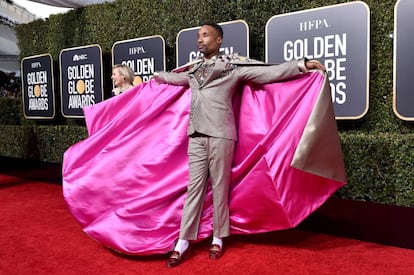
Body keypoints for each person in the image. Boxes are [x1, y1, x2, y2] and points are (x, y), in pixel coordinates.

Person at [154, 22, 325, 268]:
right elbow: (176, 79)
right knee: (194, 189)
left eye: (205, 35)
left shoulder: (233, 68)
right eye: (198, 36)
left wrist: (301, 65)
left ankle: (218, 236)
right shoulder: (193, 71)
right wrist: (157, 76)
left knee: (221, 187)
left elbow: (269, 73)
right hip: (196, 136)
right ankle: (183, 240)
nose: (199, 40)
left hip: (222, 135)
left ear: (219, 40)